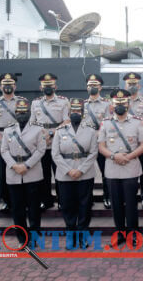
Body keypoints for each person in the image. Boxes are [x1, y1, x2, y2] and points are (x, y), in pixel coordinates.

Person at [98, 89, 143, 247]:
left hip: (130, 166)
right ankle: (120, 233)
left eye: (123, 103)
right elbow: (101, 146)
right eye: (117, 103)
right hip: (113, 168)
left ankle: (133, 233)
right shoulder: (105, 123)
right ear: (112, 106)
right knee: (116, 204)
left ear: (128, 104)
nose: (120, 105)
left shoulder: (137, 121)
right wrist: (114, 156)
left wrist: (129, 156)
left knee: (131, 203)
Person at [52, 98, 99, 249]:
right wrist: (69, 170)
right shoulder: (60, 131)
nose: (76, 113)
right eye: (73, 111)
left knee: (84, 205)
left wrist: (81, 170)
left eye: (79, 110)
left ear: (83, 113)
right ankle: (71, 235)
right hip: (65, 174)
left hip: (85, 174)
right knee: (67, 205)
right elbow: (55, 154)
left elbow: (93, 153)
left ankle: (83, 235)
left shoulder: (90, 130)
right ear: (69, 112)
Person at [0, 99, 45, 248]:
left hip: (32, 172)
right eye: (19, 112)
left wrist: (26, 165)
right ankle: (22, 238)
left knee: (34, 208)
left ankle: (35, 236)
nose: (21, 114)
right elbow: (4, 151)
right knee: (17, 208)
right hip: (13, 173)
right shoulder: (8, 130)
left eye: (24, 112)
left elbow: (41, 150)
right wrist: (14, 165)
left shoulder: (37, 129)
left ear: (29, 112)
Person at [29, 73, 70, 210]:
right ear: (41, 87)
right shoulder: (35, 103)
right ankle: (46, 200)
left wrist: (52, 133)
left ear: (55, 86)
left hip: (57, 142)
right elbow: (32, 123)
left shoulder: (63, 102)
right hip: (41, 143)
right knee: (44, 173)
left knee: (60, 173)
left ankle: (62, 200)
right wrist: (41, 136)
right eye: (45, 86)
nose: (48, 88)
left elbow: (66, 121)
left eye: (50, 86)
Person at [0, 72, 27, 212]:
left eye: (10, 84)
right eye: (5, 84)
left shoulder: (22, 101)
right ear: (0, 86)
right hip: (2, 139)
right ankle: (6, 200)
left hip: (20, 140)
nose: (8, 86)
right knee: (4, 171)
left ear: (15, 86)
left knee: (22, 168)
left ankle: (23, 199)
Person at [124, 72, 143, 210]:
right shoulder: (120, 101)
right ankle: (129, 197)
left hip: (140, 143)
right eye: (129, 84)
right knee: (127, 170)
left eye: (134, 84)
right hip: (124, 143)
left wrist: (140, 136)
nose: (132, 86)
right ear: (125, 85)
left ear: (139, 85)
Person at [83, 74, 112, 210]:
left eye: (95, 85)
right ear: (86, 87)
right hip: (86, 144)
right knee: (86, 172)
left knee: (105, 171)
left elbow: (109, 123)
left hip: (102, 142)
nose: (92, 87)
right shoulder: (81, 105)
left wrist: (98, 134)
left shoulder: (107, 104)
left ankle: (107, 196)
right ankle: (87, 199)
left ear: (100, 87)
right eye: (90, 85)